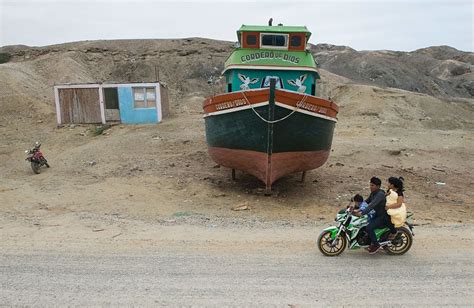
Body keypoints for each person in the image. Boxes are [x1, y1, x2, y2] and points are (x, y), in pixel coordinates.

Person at [354, 177, 397, 254]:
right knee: (363, 225)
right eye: (370, 185)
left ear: (378, 186)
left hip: (383, 217)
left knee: (369, 228)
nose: (371, 187)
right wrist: (356, 208)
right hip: (376, 215)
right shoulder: (373, 193)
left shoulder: (380, 194)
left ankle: (376, 245)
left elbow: (371, 205)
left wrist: (362, 213)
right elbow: (366, 202)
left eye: (372, 185)